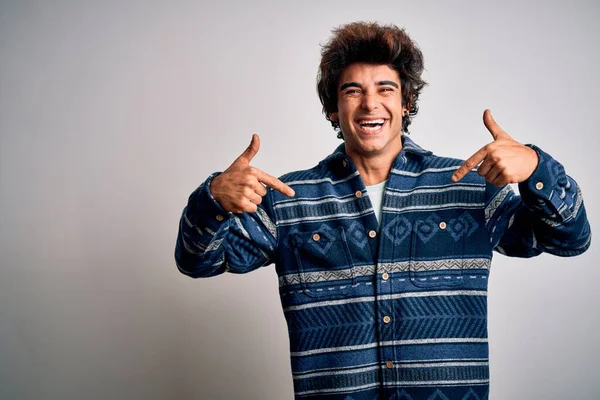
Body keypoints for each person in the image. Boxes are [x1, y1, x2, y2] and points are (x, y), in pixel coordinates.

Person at [174, 22, 591, 400]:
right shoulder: (289, 199)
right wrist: (211, 198)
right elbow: (197, 262)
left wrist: (537, 169)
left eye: (385, 89)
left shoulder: (469, 186)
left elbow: (571, 240)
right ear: (333, 109)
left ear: (406, 102)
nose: (370, 104)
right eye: (352, 90)